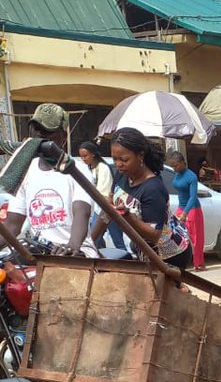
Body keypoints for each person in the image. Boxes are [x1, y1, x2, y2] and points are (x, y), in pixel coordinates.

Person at [91, 127, 191, 269]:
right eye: (115, 159)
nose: (118, 164)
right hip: (145, 249)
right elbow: (108, 209)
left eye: (124, 159)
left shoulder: (153, 188)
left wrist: (128, 216)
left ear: (140, 155)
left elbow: (154, 235)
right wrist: (89, 242)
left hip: (170, 253)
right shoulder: (122, 175)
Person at [5, 104, 95, 256]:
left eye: (48, 130)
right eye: (36, 129)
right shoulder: (25, 171)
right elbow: (12, 226)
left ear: (63, 134)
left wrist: (72, 245)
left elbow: (82, 212)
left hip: (76, 253)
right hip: (40, 253)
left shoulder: (77, 170)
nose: (40, 134)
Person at [167, 150, 206, 271]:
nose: (175, 168)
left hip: (193, 208)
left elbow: (193, 197)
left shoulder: (191, 176)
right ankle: (178, 261)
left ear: (183, 163)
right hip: (181, 206)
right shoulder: (177, 175)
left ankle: (199, 263)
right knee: (178, 235)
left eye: (176, 165)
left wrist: (185, 212)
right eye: (173, 166)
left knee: (196, 238)